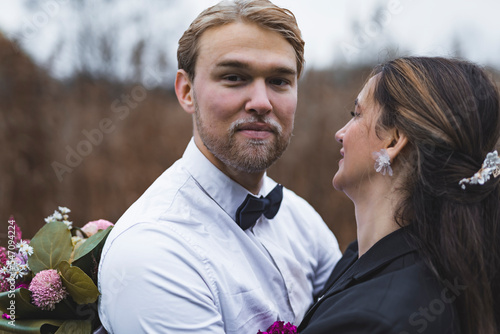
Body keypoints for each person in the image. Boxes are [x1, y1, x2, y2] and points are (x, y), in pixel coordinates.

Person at [97, 0, 341, 333]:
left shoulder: (304, 222)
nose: (261, 102)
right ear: (186, 92)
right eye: (234, 77)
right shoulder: (153, 252)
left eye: (279, 81)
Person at [298, 56, 500, 334]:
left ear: (394, 140)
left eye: (357, 114)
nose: (339, 134)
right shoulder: (365, 256)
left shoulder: (377, 320)